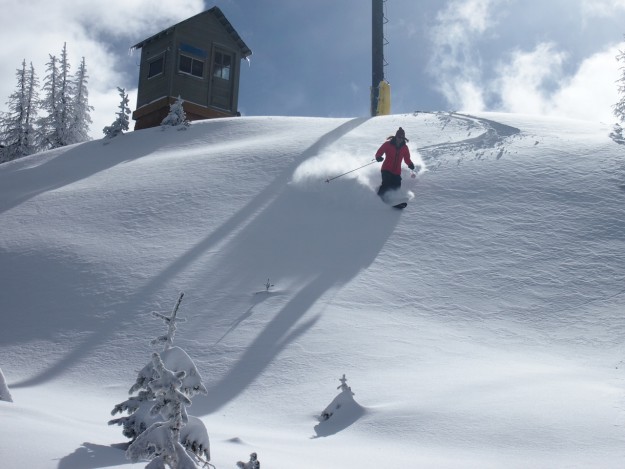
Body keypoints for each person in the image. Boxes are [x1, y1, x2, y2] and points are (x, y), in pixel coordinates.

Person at [375, 127, 415, 198]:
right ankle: (379, 199)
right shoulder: (388, 144)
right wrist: (378, 157)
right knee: (386, 184)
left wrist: (410, 164)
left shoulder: (405, 148)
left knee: (396, 187)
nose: (400, 139)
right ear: (396, 136)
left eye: (402, 138)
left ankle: (393, 201)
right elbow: (379, 152)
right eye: (399, 137)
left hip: (396, 172)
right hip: (386, 169)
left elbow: (407, 158)